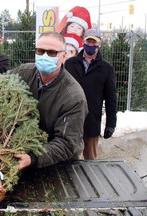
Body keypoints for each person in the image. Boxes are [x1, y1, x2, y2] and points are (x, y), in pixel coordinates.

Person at [8, 32, 88, 170]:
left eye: (52, 52)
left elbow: (66, 143)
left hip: (61, 165)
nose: (44, 56)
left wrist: (33, 158)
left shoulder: (73, 97)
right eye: (40, 51)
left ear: (63, 56)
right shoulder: (22, 73)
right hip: (24, 154)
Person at [65, 28, 117, 160]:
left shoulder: (106, 69)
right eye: (89, 41)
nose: (91, 45)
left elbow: (111, 98)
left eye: (94, 42)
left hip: (91, 120)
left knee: (90, 160)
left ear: (99, 45)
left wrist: (111, 123)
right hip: (71, 119)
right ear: (84, 42)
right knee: (69, 158)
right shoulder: (70, 64)